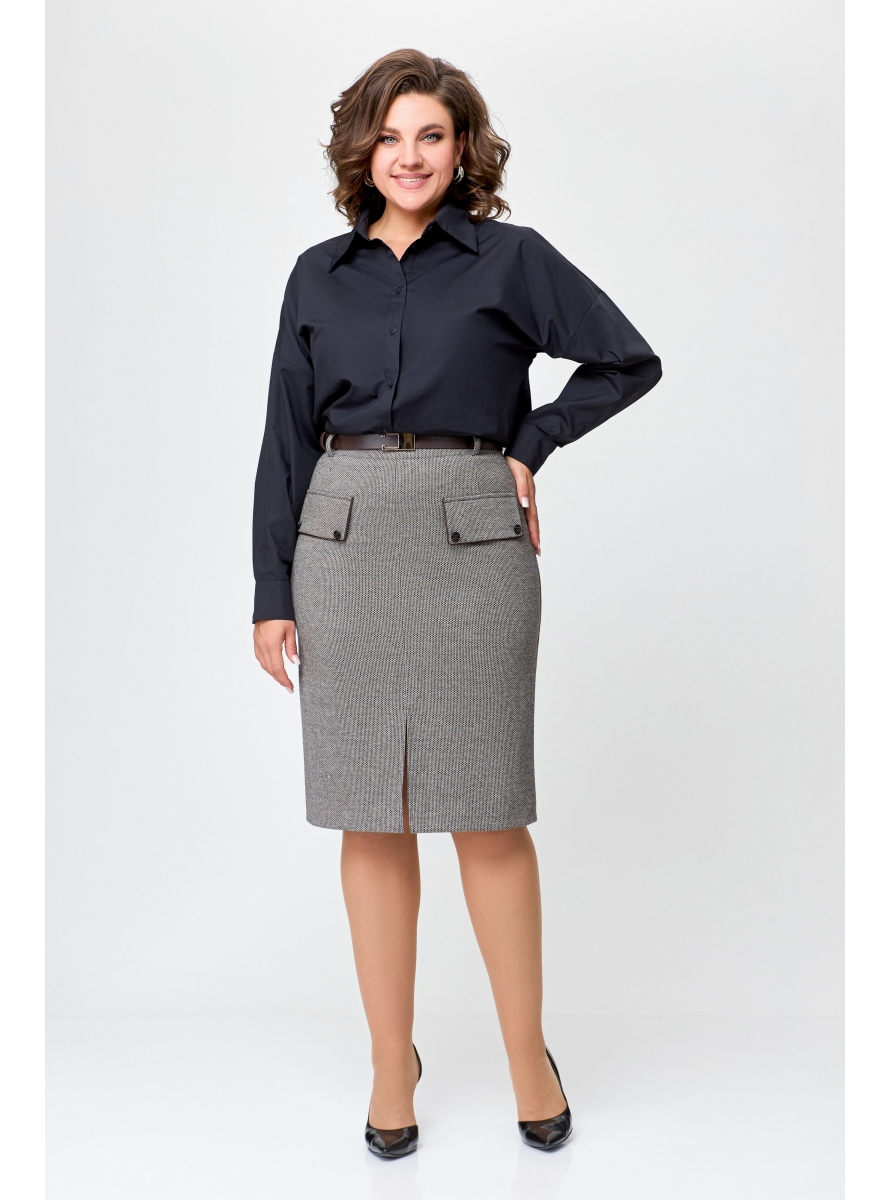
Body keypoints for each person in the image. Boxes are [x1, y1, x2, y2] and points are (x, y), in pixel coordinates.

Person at [252, 48, 661, 1157]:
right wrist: (272, 590)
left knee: (487, 806)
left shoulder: (512, 260)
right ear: (361, 151)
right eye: (390, 137)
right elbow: (285, 437)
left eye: (431, 135)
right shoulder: (316, 276)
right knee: (368, 811)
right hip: (342, 541)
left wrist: (531, 444)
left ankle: (528, 1054)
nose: (410, 156)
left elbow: (626, 361)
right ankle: (392, 1063)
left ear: (463, 146)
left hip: (473, 535)